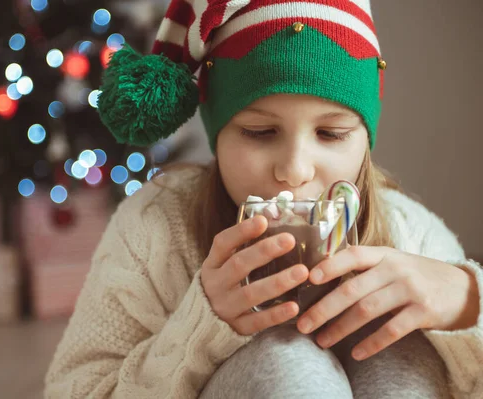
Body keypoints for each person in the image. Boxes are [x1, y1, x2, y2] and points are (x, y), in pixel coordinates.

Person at [44, 1, 483, 398]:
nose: (294, 170)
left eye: (331, 134)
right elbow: (77, 389)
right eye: (259, 132)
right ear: (218, 135)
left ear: (365, 142)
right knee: (282, 363)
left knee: (403, 350)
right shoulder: (154, 232)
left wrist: (468, 300)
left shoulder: (410, 233)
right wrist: (198, 330)